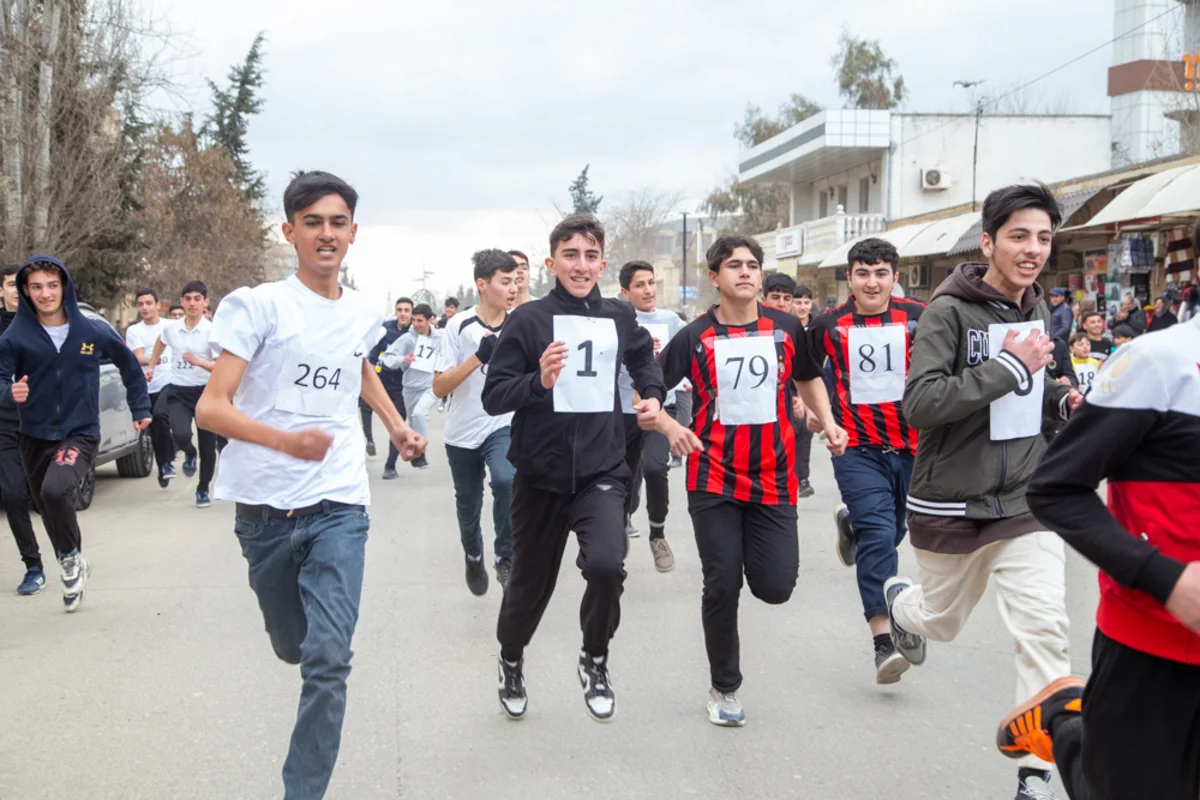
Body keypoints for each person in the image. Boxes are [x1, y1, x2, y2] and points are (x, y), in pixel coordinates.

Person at [196, 170, 426, 800]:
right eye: (314, 222)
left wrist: (397, 424)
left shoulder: (360, 310)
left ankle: (303, 792)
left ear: (354, 232)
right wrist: (284, 441)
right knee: (293, 644)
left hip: (339, 502)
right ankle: (294, 634)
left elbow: (355, 366)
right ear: (290, 230)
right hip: (266, 511)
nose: (327, 234)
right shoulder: (259, 305)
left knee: (328, 660)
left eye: (338, 222)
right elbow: (211, 409)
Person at [888, 183, 1082, 800]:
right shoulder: (947, 312)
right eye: (1019, 236)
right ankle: (900, 607)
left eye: (1044, 238)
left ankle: (1036, 773)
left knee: (1044, 626)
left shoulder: (1039, 303)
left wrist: (1061, 396)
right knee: (940, 623)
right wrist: (1009, 369)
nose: (1032, 250)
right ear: (988, 240)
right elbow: (920, 405)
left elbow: (1039, 379)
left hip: (1025, 497)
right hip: (951, 500)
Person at [996, 313, 1200, 800]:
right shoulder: (1156, 362)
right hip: (1154, 646)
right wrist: (1165, 580)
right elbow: (1056, 488)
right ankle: (1067, 724)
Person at [656, 234, 846, 727]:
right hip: (713, 473)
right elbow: (651, 387)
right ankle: (725, 687)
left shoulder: (786, 328)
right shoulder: (693, 335)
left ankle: (755, 569)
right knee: (722, 581)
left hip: (775, 477)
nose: (745, 272)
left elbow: (807, 377)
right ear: (714, 277)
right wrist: (670, 424)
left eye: (752, 265)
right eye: (733, 265)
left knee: (776, 586)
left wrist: (828, 421)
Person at [482, 215, 665, 723]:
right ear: (550, 263)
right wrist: (538, 380)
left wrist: (651, 395)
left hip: (602, 471)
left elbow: (646, 364)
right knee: (528, 588)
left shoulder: (619, 316)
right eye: (570, 255)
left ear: (602, 263)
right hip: (540, 476)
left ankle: (595, 656)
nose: (580, 265)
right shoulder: (528, 320)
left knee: (607, 565)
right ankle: (512, 658)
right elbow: (496, 395)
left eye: (589, 256)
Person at [0, 254, 151, 612]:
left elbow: (130, 366)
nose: (45, 293)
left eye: (52, 285)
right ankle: (73, 558)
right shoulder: (15, 337)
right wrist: (9, 392)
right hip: (33, 434)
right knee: (44, 501)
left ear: (64, 286)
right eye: (36, 286)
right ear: (25, 290)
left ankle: (68, 559)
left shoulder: (91, 330)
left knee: (56, 489)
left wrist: (141, 408)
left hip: (79, 433)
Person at [807, 237, 927, 684]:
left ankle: (852, 526)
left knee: (893, 531)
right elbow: (805, 372)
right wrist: (821, 416)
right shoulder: (827, 325)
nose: (872, 282)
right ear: (849, 278)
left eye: (881, 273)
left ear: (896, 277)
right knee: (880, 534)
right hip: (855, 447)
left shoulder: (920, 318)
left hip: (916, 448)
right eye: (862, 273)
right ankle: (884, 640)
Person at [433, 249, 519, 595]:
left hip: (503, 423)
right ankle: (473, 554)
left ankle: (506, 557)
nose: (512, 288)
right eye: (505, 281)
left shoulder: (520, 323)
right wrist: (479, 358)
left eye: (515, 281)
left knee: (506, 479)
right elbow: (439, 386)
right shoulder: (459, 326)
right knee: (468, 504)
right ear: (482, 285)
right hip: (462, 431)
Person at [617, 259, 683, 572]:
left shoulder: (671, 320)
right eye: (640, 285)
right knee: (625, 475)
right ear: (625, 291)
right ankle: (622, 519)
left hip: (660, 409)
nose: (648, 290)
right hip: (621, 411)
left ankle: (657, 534)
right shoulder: (616, 320)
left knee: (656, 468)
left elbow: (688, 357)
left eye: (652, 283)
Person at [147, 281, 219, 508]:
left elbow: (220, 367)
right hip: (178, 391)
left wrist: (199, 362)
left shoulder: (213, 331)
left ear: (205, 302)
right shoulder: (172, 328)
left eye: (197, 298)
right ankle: (189, 452)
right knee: (179, 434)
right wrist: (151, 364)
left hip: (206, 392)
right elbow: (161, 342)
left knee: (209, 446)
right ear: (182, 302)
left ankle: (202, 489)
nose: (192, 303)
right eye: (188, 299)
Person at [0, 264, 42, 595]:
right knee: (13, 494)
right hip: (3, 422)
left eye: (21, 285)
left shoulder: (43, 325)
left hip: (38, 422)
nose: (17, 289)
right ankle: (34, 566)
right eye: (12, 284)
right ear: (2, 291)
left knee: (43, 495)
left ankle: (58, 557)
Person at [125, 288, 177, 488]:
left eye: (148, 303)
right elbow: (138, 357)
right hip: (148, 384)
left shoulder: (170, 326)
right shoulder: (134, 330)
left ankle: (167, 461)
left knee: (161, 415)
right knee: (155, 426)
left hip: (170, 381)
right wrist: (157, 359)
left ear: (158, 305)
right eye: (140, 304)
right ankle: (164, 464)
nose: (144, 308)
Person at [378, 302, 440, 473]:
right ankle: (416, 455)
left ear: (429, 320)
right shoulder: (407, 339)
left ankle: (422, 452)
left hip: (430, 386)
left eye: (420, 320)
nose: (416, 324)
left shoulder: (440, 338)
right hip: (410, 388)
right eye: (414, 320)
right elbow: (387, 358)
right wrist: (402, 359)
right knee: (413, 421)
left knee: (420, 413)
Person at [363, 298, 411, 457]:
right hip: (382, 376)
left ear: (411, 313)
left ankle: (390, 464)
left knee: (398, 421)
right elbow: (373, 353)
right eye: (400, 310)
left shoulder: (413, 334)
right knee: (365, 405)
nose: (403, 314)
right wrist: (371, 372)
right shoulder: (385, 329)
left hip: (401, 383)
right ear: (395, 312)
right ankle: (369, 439)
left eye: (406, 310)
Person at [790, 283, 817, 496]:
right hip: (787, 386)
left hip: (810, 386)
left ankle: (803, 479)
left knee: (805, 431)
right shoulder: (786, 326)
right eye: (798, 302)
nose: (802, 306)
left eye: (806, 302)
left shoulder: (817, 327)